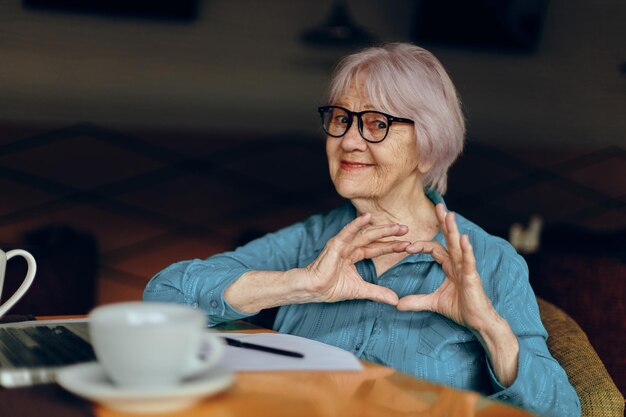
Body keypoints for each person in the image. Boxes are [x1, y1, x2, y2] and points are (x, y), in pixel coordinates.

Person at [144, 43, 580, 417]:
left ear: (427, 149)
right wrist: (301, 284)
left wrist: (489, 328)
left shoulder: (490, 260)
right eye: (340, 119)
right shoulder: (312, 241)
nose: (349, 140)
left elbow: (564, 410)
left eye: (376, 123)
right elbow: (164, 296)